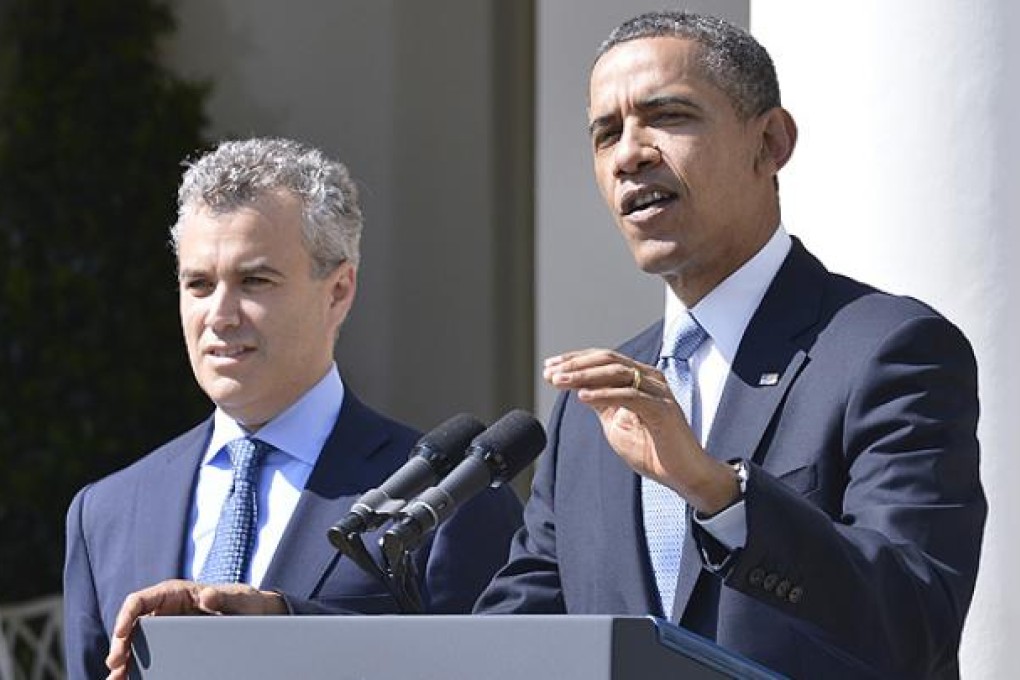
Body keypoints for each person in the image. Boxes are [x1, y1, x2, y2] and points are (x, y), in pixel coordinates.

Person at [473, 11, 986, 679]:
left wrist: (721, 494)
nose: (629, 153)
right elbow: (515, 635)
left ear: (769, 142)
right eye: (606, 133)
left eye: (669, 116)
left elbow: (916, 620)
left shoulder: (889, 350)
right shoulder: (593, 408)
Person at [63, 138, 523, 680]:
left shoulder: (447, 498)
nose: (220, 315)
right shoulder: (107, 512)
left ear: (338, 291)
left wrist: (285, 622)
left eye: (254, 280)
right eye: (199, 284)